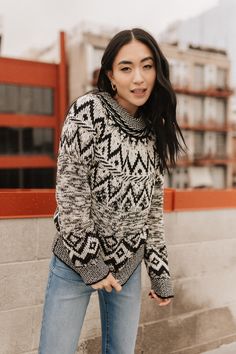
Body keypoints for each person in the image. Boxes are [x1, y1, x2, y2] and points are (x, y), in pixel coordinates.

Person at [38, 28, 185, 354]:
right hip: (76, 263)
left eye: (147, 66)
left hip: (128, 265)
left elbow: (152, 213)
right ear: (110, 75)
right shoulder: (88, 112)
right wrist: (91, 264)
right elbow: (71, 194)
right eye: (126, 67)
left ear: (157, 70)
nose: (139, 78)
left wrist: (160, 274)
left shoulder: (153, 132)